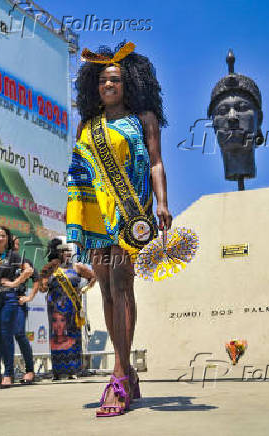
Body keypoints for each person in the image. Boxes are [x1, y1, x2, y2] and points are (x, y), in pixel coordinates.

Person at [66, 41, 172, 416]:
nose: (108, 86)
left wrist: (161, 202)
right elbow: (80, 174)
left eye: (115, 80)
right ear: (94, 86)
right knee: (106, 288)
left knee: (122, 282)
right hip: (98, 216)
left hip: (130, 214)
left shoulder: (143, 119)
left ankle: (119, 374)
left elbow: (156, 163)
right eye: (103, 81)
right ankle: (127, 366)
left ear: (129, 84)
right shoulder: (87, 125)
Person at [40, 237, 95, 381]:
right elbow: (42, 288)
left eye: (69, 251)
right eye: (64, 252)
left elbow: (93, 277)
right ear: (57, 253)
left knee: (73, 336)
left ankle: (73, 370)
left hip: (72, 306)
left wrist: (83, 289)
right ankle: (58, 371)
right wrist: (43, 280)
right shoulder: (51, 268)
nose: (68, 254)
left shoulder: (77, 267)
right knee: (57, 336)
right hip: (54, 308)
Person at [0, 226, 33, 389]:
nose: (0, 238)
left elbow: (29, 270)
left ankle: (8, 374)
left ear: (7, 238)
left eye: (3, 236)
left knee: (6, 335)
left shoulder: (13, 255)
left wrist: (15, 283)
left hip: (9, 298)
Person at [13, 236, 40, 384]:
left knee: (19, 334)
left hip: (18, 302)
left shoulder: (25, 262)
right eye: (13, 243)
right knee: (2, 339)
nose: (15, 246)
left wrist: (29, 297)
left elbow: (36, 278)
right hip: (1, 302)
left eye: (17, 244)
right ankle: (7, 373)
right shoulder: (0, 261)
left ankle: (30, 370)